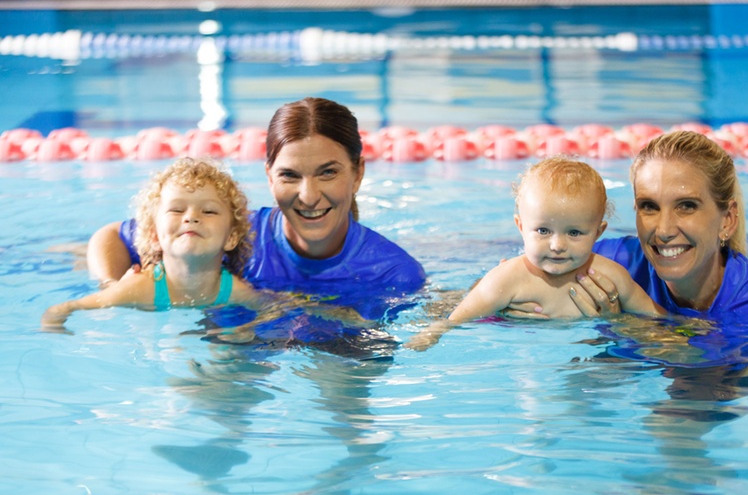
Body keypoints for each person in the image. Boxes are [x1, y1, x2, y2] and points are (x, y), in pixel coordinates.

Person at [85, 98, 426, 325]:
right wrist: (111, 287)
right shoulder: (228, 232)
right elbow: (111, 235)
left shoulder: (394, 274)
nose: (308, 196)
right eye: (289, 175)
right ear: (269, 176)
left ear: (358, 173)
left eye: (328, 172)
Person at [406, 157, 665, 350]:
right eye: (543, 230)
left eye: (574, 233)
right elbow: (454, 320)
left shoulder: (611, 275)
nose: (557, 245)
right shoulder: (508, 278)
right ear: (520, 227)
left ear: (598, 233)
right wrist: (430, 335)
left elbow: (656, 320)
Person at [560, 130, 748, 327]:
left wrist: (633, 324)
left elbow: (704, 384)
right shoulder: (614, 264)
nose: (664, 230)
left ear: (727, 220)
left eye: (687, 206)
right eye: (649, 206)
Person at [42, 157, 263, 329]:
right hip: (132, 268)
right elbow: (65, 308)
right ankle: (71, 251)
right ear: (155, 236)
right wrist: (56, 329)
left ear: (231, 237)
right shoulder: (141, 288)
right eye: (177, 209)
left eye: (209, 211)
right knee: (78, 261)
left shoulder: (233, 289)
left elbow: (270, 309)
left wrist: (249, 329)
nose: (191, 217)